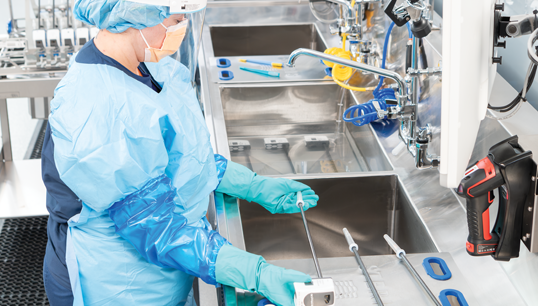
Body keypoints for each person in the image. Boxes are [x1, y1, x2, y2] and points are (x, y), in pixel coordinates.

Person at [41, 0, 319, 305]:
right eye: (175, 21)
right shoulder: (96, 107)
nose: (181, 29)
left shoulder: (149, 64)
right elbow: (153, 225)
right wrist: (253, 273)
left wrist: (252, 185)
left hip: (165, 270)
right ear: (136, 15)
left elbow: (178, 159)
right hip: (120, 286)